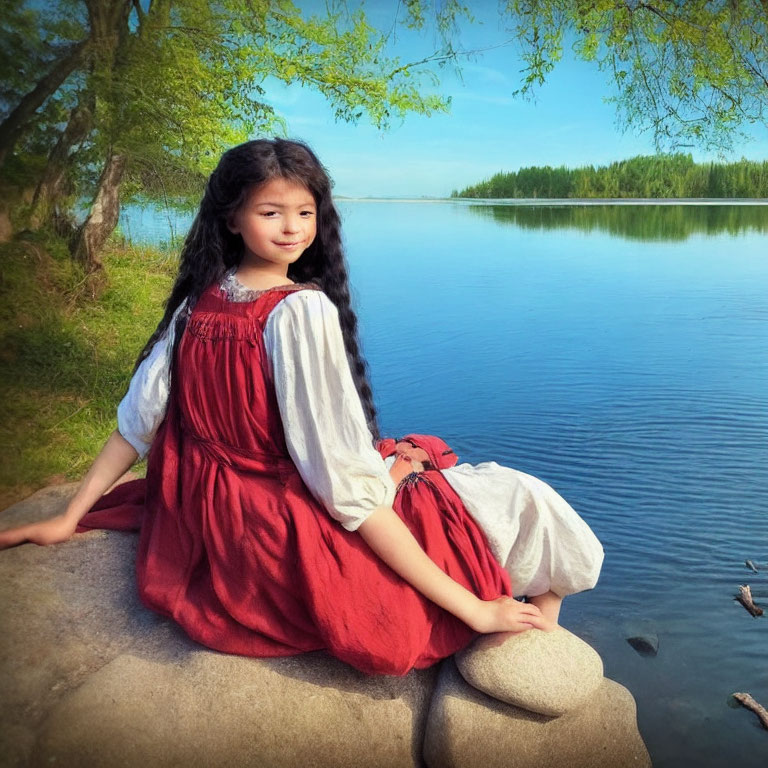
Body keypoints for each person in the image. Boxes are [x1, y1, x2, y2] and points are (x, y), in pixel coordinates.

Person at [0, 138, 603, 676]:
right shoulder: (298, 311)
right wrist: (466, 601)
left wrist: (72, 514)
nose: (292, 229)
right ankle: (529, 626)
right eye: (271, 212)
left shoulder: (199, 304)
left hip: (216, 519)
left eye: (305, 212)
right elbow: (342, 486)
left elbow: (135, 427)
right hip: (277, 528)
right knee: (519, 494)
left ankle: (528, 633)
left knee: (418, 460)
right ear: (232, 217)